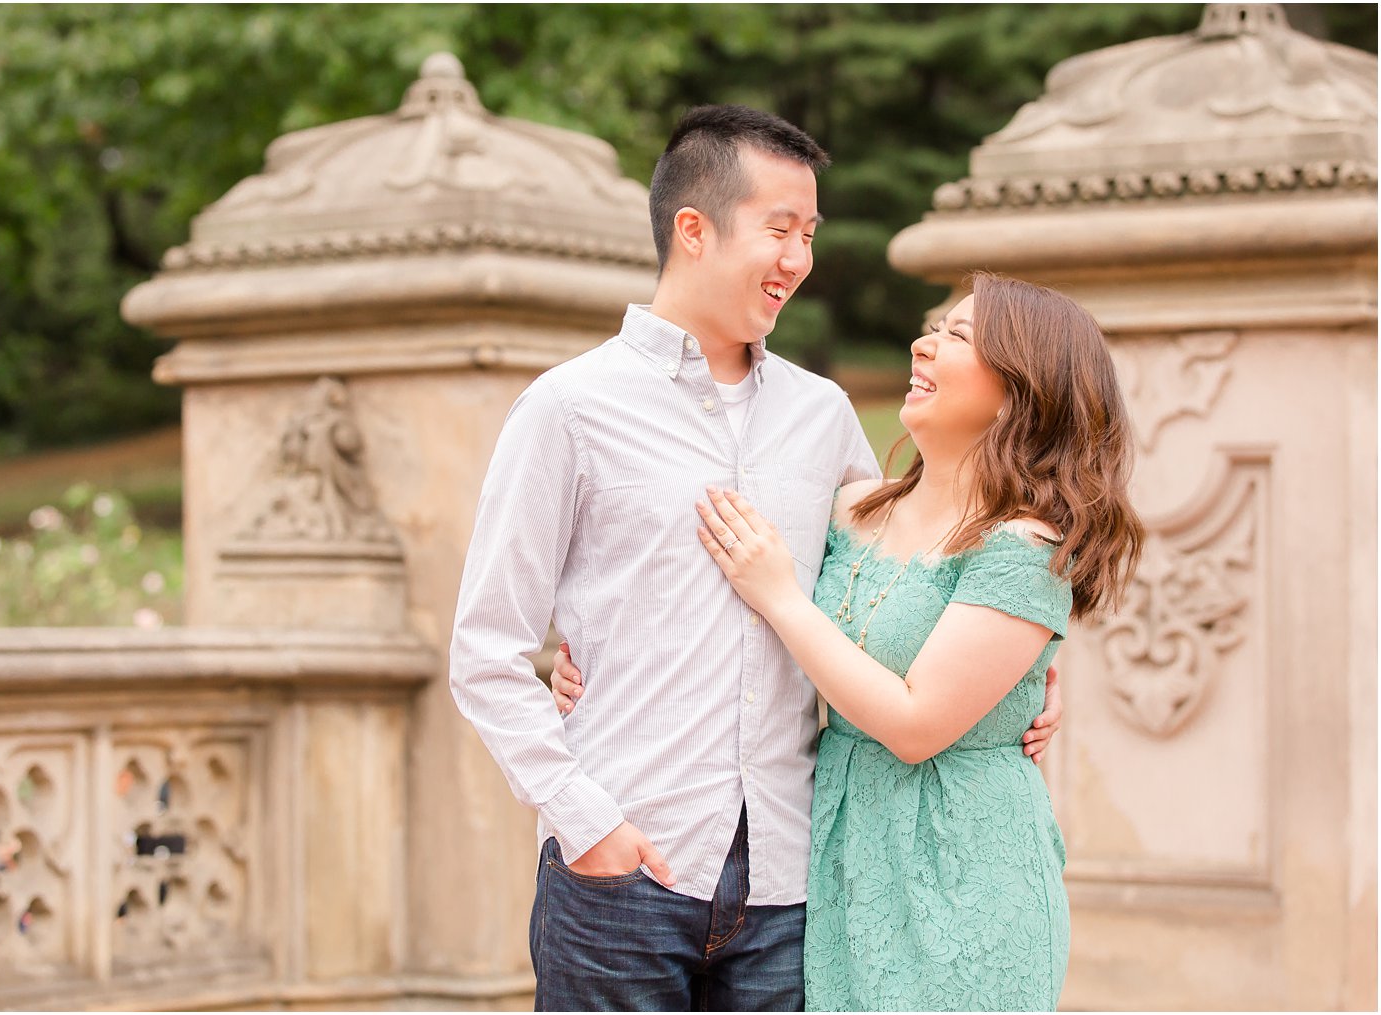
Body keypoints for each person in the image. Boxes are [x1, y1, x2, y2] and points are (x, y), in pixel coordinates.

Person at [449, 105, 1061, 1012]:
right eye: (780, 229)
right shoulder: (568, 409)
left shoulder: (823, 416)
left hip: (791, 883)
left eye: (809, 232)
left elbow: (908, 569)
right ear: (693, 230)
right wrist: (588, 824)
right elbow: (485, 651)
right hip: (623, 874)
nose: (799, 259)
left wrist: (1030, 674)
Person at [679, 273, 1142, 1010]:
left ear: (1023, 391)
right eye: (934, 328)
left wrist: (778, 593)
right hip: (842, 855)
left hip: (968, 871)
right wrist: (585, 666)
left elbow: (917, 723)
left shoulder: (1024, 547)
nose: (923, 344)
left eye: (958, 336)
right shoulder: (848, 507)